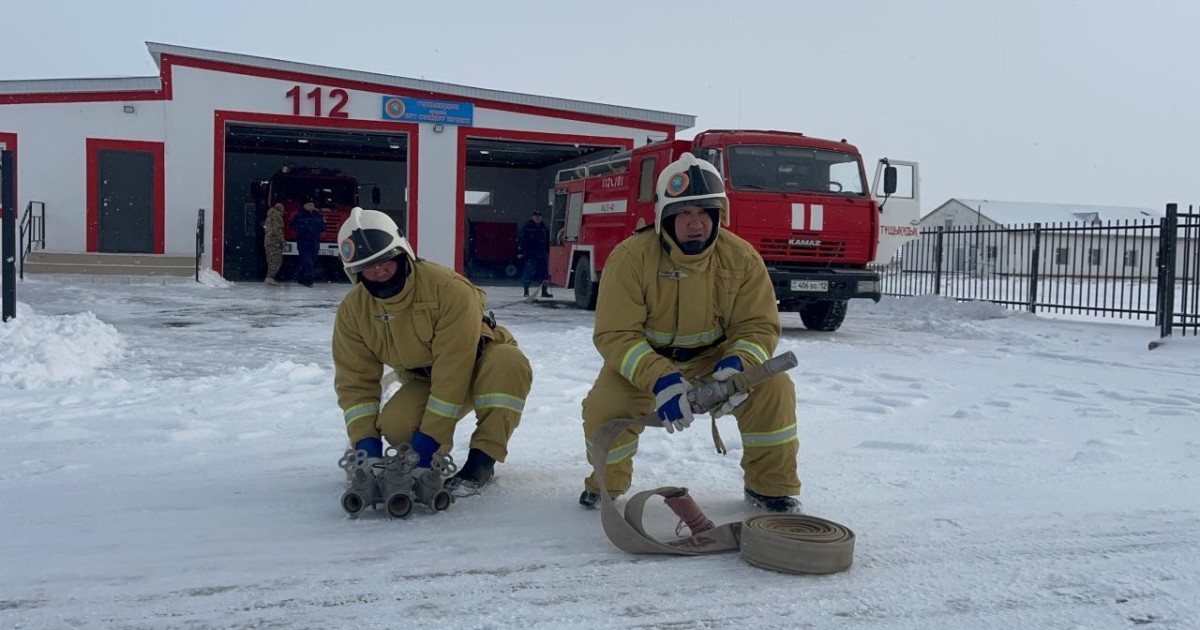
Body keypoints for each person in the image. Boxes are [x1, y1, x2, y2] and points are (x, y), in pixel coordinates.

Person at [577, 153, 801, 513]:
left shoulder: (742, 258)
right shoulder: (630, 258)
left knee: (775, 390)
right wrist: (662, 380)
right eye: (684, 213)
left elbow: (757, 326)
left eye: (703, 213)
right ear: (665, 217)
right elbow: (617, 334)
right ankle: (607, 483)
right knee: (606, 407)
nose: (694, 224)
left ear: (718, 217)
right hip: (646, 364)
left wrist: (738, 365)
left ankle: (770, 488)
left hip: (717, 362)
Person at [332, 207, 533, 497]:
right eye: (368, 265)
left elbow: (453, 371)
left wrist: (427, 446)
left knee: (507, 363)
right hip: (422, 377)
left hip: (480, 363)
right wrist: (366, 445)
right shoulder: (353, 312)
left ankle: (481, 461)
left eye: (385, 260)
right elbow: (354, 384)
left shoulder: (449, 290)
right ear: (354, 271)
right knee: (396, 426)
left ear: (402, 252)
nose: (379, 270)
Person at [290, 198, 326, 286]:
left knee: (312, 261)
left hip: (315, 242)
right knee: (307, 262)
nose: (311, 207)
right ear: (304, 206)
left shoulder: (317, 215)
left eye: (312, 205)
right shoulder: (299, 215)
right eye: (309, 205)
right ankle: (308, 281)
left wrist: (322, 225)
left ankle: (300, 278)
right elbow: (293, 226)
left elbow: (323, 227)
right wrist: (303, 227)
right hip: (303, 242)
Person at [518, 209, 552, 298]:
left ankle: (544, 291)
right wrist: (521, 251)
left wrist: (549, 252)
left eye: (539, 217)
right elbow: (521, 239)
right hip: (530, 253)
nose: (538, 218)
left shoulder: (544, 228)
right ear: (533, 217)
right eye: (536, 217)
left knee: (544, 273)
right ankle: (526, 291)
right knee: (528, 272)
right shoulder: (527, 226)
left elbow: (547, 241)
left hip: (542, 253)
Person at [262, 203, 285, 285]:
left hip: (268, 241)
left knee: (271, 260)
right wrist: (282, 241)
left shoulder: (269, 216)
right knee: (277, 260)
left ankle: (270, 277)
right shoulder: (277, 217)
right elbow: (277, 231)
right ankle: (270, 277)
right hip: (274, 242)